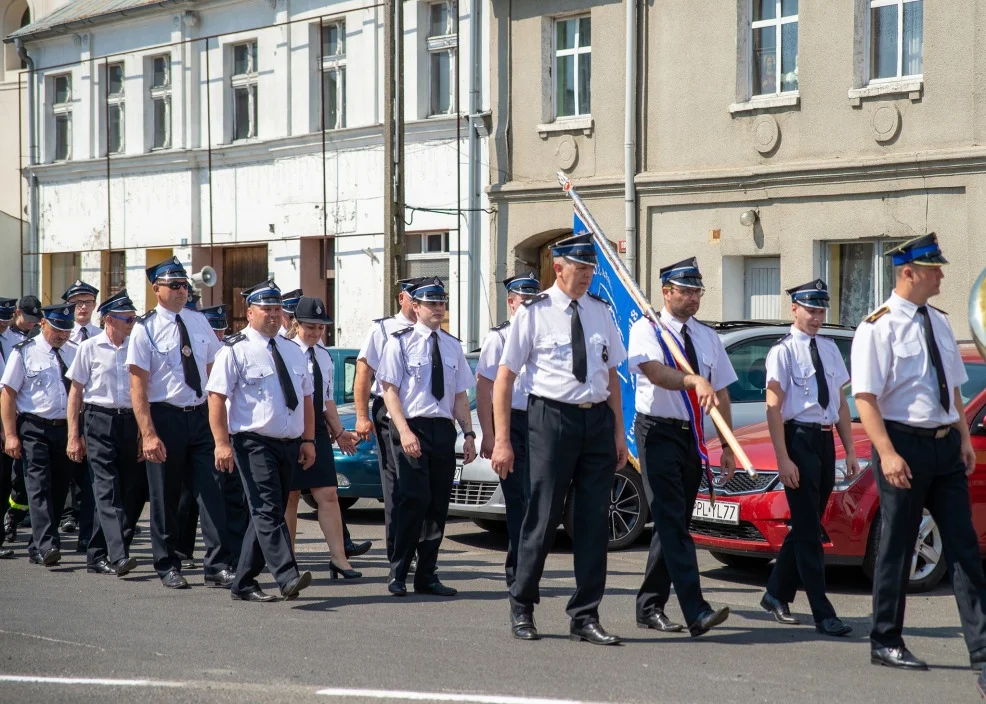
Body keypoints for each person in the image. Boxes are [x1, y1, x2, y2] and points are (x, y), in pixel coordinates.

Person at [851, 233, 986, 671]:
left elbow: (953, 391)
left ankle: (981, 649)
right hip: (903, 445)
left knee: (964, 548)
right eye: (934, 268)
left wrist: (964, 439)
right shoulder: (878, 326)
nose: (942, 274)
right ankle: (885, 640)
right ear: (908, 272)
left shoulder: (941, 321)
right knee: (897, 546)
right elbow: (866, 399)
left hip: (945, 446)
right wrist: (887, 453)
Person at [491, 233, 628, 644]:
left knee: (592, 521)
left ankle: (585, 615)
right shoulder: (533, 312)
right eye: (579, 268)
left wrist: (619, 433)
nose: (586, 275)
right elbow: (504, 379)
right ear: (559, 267)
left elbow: (612, 378)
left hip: (596, 421)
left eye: (590, 269)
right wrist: (502, 440)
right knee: (543, 515)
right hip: (550, 419)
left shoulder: (601, 312)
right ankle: (522, 605)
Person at [628, 257, 736, 638]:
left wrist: (726, 444)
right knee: (672, 521)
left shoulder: (706, 336)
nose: (693, 298)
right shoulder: (647, 330)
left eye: (697, 291)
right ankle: (696, 609)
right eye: (686, 291)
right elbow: (655, 373)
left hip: (692, 436)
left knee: (673, 523)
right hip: (655, 432)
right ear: (666, 292)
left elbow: (720, 390)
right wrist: (692, 380)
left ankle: (649, 606)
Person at [127, 255, 247, 590]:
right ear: (157, 289)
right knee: (165, 495)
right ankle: (167, 563)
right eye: (175, 285)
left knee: (212, 491)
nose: (182, 291)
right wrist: (148, 434)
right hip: (165, 417)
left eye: (185, 286)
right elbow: (137, 387)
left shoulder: (198, 322)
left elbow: (213, 375)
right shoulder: (144, 329)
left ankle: (218, 565)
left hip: (201, 416)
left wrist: (222, 424)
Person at [206, 279, 315, 603]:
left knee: (267, 512)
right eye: (266, 309)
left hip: (288, 443)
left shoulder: (293, 350)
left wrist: (308, 439)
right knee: (267, 509)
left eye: (277, 308)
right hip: (252, 441)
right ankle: (286, 575)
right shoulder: (235, 349)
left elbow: (307, 399)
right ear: (249, 312)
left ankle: (243, 581)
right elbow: (216, 397)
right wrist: (221, 443)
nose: (272, 314)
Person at [761, 279, 856, 637]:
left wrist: (848, 450)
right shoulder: (782, 352)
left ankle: (774, 593)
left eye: (821, 310)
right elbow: (773, 409)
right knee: (810, 532)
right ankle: (823, 612)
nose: (817, 317)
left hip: (825, 441)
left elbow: (841, 404)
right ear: (794, 309)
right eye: (811, 310)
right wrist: (783, 459)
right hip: (797, 439)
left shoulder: (830, 348)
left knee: (805, 524)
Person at [377, 277, 476, 597]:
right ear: (415, 307)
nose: (438, 309)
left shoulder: (451, 345)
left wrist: (470, 433)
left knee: (437, 504)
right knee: (412, 500)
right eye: (432, 303)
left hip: (442, 430)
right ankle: (398, 571)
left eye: (442, 303)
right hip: (411, 427)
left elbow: (460, 394)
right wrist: (403, 430)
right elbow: (389, 391)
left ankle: (427, 574)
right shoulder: (399, 342)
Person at [65, 290, 143, 577]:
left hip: (129, 422)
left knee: (125, 491)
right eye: (128, 319)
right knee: (106, 488)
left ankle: (96, 555)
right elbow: (75, 394)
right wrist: (74, 435)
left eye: (134, 318)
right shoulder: (90, 347)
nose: (133, 323)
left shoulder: (136, 346)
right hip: (99, 420)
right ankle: (118, 555)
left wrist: (143, 432)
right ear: (110, 319)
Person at [283, 296, 362, 579]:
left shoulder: (324, 356)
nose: (316, 333)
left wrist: (339, 432)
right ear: (296, 324)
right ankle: (288, 560)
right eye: (310, 327)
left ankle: (339, 559)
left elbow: (327, 399)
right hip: (291, 430)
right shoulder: (286, 351)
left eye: (321, 327)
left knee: (328, 494)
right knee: (290, 497)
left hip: (316, 430)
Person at [354, 276, 426, 567]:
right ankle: (398, 552)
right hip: (390, 414)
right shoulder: (382, 329)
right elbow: (363, 372)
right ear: (402, 298)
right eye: (415, 298)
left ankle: (419, 549)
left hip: (423, 414)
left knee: (423, 488)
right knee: (396, 484)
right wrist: (361, 416)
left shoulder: (431, 331)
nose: (421, 305)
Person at [0, 304, 79, 567]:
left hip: (66, 427)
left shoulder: (74, 353)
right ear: (43, 324)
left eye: (67, 330)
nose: (62, 335)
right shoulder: (24, 353)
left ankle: (38, 544)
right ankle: (47, 545)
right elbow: (8, 395)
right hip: (34, 427)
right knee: (38, 487)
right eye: (57, 329)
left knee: (59, 487)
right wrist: (10, 434)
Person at [476, 272, 540, 590]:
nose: (528, 305)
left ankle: (525, 567)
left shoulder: (544, 337)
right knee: (519, 500)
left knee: (538, 500)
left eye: (533, 299)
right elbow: (485, 387)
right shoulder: (498, 338)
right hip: (511, 424)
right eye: (523, 300)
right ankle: (518, 572)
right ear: (511, 302)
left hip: (542, 424)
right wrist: (490, 435)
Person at [59, 279, 100, 546]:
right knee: (66, 467)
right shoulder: (62, 336)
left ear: (95, 305)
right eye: (76, 303)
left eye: (86, 302)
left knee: (90, 473)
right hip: (66, 410)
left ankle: (89, 526)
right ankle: (66, 513)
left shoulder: (101, 335)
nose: (82, 307)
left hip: (93, 412)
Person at [1, 295, 41, 546]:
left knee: (15, 478)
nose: (4, 324)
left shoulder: (20, 342)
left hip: (14, 415)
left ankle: (12, 519)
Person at [0, 297, 18, 558]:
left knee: (4, 481)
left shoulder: (12, 343)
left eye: (5, 321)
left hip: (4, 417)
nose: (2, 326)